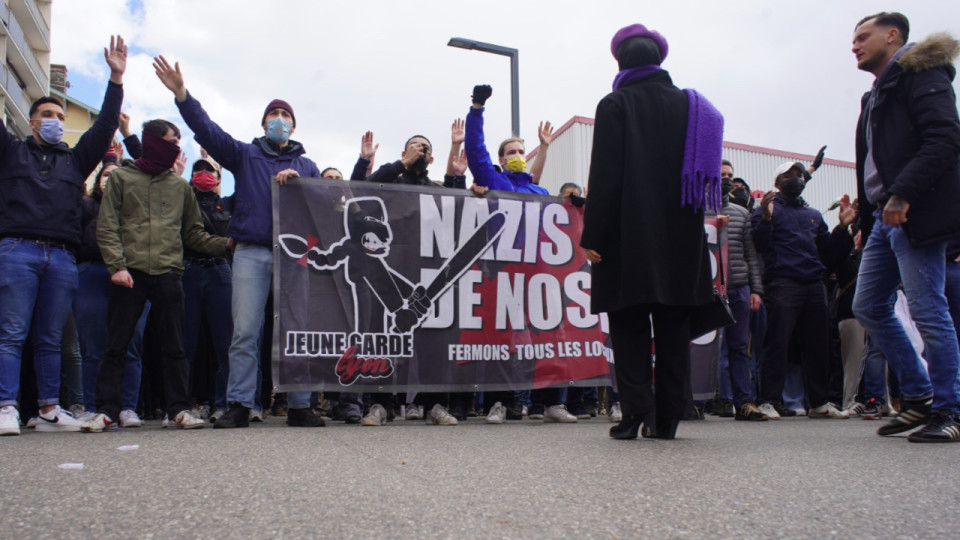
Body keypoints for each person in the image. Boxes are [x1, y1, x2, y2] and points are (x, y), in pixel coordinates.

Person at [153, 55, 325, 428]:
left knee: (297, 330)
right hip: (251, 252)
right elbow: (208, 130)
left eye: (285, 114)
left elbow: (323, 206)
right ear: (264, 122)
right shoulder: (244, 155)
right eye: (273, 114)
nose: (279, 118)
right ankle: (240, 404)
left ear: (294, 125)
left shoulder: (309, 165)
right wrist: (183, 95)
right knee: (245, 330)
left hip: (296, 258)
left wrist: (303, 184)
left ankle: (300, 405)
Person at [580, 24, 720, 440]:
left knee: (629, 325)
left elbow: (605, 176)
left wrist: (593, 235)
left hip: (628, 235)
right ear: (659, 60)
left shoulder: (615, 104)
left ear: (620, 62)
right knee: (675, 328)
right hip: (681, 237)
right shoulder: (694, 108)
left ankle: (635, 412)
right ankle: (668, 418)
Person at [0, 35, 127, 436]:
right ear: (33, 120)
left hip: (62, 258)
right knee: (11, 333)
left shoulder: (75, 161)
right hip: (16, 250)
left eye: (59, 113)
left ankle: (49, 409)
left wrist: (116, 78)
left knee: (50, 338)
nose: (55, 119)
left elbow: (106, 124)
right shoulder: (11, 152)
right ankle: (6, 406)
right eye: (47, 114)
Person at [850, 12, 960, 442]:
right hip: (882, 217)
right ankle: (918, 398)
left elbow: (945, 138)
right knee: (869, 306)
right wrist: (865, 219)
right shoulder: (876, 94)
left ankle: (950, 410)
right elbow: (870, 164)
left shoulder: (922, 74)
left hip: (912, 211)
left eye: (864, 36)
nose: (855, 45)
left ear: (892, 35)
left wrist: (903, 194)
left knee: (928, 309)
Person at [80, 119, 229, 432]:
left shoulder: (179, 187)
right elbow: (107, 226)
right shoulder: (121, 178)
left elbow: (194, 234)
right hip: (129, 273)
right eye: (172, 140)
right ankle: (106, 410)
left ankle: (177, 409)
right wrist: (116, 265)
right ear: (153, 142)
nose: (177, 147)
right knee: (116, 345)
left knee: (174, 346)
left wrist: (227, 243)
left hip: (168, 273)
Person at [466, 84, 577, 424]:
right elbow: (475, 150)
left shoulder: (540, 190)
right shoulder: (495, 180)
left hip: (541, 273)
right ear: (501, 159)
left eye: (519, 149)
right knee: (504, 338)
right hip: (506, 273)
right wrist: (477, 109)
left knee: (550, 337)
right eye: (509, 150)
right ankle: (501, 403)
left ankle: (552, 402)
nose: (515, 153)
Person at [751, 162, 856, 420]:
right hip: (782, 282)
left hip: (813, 285)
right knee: (777, 343)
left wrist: (842, 229)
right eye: (789, 175)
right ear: (777, 183)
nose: (796, 179)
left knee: (818, 346)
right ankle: (768, 401)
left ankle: (819, 403)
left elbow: (830, 255)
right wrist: (765, 219)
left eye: (799, 175)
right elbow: (759, 245)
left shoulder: (814, 215)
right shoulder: (768, 209)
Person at [74, 160, 150, 428]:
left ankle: (128, 407)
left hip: (133, 276)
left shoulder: (138, 210)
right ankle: (94, 407)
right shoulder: (86, 206)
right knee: (93, 347)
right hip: (93, 273)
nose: (112, 179)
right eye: (107, 175)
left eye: (118, 175)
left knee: (130, 346)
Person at [181, 155, 234, 422]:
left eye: (209, 169)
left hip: (220, 272)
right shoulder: (183, 200)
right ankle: (184, 405)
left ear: (219, 176)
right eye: (197, 169)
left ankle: (223, 404)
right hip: (188, 270)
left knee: (225, 344)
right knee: (186, 343)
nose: (203, 173)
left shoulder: (227, 204)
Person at [718, 165, 767, 421]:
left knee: (738, 347)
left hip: (738, 287)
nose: (726, 180)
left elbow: (751, 255)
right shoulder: (694, 212)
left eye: (729, 176)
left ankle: (744, 401)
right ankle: (693, 402)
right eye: (721, 175)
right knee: (702, 348)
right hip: (706, 290)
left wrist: (756, 289)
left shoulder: (742, 214)